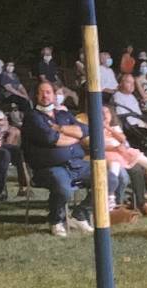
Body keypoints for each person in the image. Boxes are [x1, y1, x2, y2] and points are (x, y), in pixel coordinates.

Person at [21, 81, 94, 237]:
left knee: (107, 178)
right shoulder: (32, 117)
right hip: (49, 168)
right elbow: (50, 139)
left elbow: (85, 130)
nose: (45, 95)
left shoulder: (63, 115)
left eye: (48, 92)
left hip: (76, 164)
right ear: (36, 96)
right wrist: (74, 137)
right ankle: (56, 221)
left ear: (54, 95)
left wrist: (61, 129)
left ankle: (79, 214)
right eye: (41, 92)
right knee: (63, 188)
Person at [98, 103, 147, 206]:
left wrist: (109, 128)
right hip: (111, 154)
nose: (105, 115)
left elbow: (122, 139)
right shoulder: (97, 129)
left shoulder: (114, 127)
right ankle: (112, 198)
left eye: (107, 112)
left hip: (124, 152)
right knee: (120, 172)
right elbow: (98, 145)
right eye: (102, 113)